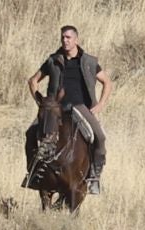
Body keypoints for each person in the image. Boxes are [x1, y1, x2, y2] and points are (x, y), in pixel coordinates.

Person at [26, 24, 111, 194]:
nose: (65, 41)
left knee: (100, 137)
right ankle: (33, 174)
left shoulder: (89, 61)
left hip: (80, 106)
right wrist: (41, 103)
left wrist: (100, 104)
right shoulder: (53, 60)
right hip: (55, 108)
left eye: (68, 37)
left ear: (76, 40)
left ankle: (94, 177)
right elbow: (33, 81)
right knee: (30, 133)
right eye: (63, 37)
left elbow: (107, 82)